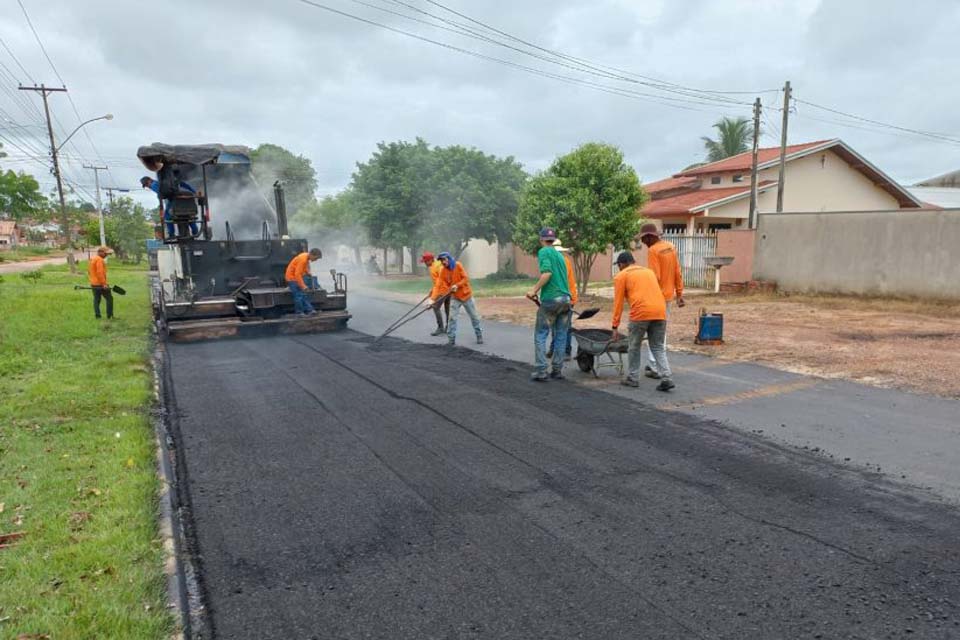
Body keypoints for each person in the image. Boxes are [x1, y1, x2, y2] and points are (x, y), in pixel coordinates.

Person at [611, 251, 674, 391]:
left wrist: (614, 326)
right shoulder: (649, 272)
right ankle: (667, 377)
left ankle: (633, 378)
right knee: (657, 346)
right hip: (660, 311)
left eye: (619, 265)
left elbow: (618, 303)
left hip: (640, 313)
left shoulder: (621, 276)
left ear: (621, 264)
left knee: (634, 346)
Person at [636, 223, 685, 379]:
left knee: (654, 333)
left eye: (644, 239)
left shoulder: (653, 250)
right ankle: (657, 364)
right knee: (661, 332)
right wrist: (680, 293)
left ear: (651, 237)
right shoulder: (671, 247)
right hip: (668, 296)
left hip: (657, 296)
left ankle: (654, 365)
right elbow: (677, 271)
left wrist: (646, 294)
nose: (643, 242)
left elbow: (654, 276)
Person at [525, 227, 571, 381]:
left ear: (541, 239)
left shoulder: (544, 252)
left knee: (541, 333)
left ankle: (541, 370)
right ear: (554, 240)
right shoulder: (560, 256)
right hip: (565, 300)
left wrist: (533, 290)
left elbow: (547, 273)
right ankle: (557, 370)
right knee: (561, 334)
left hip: (552, 299)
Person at [428, 251, 482, 346]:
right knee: (452, 318)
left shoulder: (458, 265)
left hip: (466, 296)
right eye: (441, 261)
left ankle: (479, 335)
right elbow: (438, 285)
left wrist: (457, 285)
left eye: (444, 259)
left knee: (474, 317)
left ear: (449, 258)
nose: (443, 262)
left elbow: (465, 278)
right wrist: (432, 299)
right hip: (455, 297)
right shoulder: (443, 271)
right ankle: (451, 340)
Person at [546, 240, 578, 361]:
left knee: (562, 325)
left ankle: (565, 351)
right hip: (566, 297)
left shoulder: (558, 262)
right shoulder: (565, 261)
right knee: (560, 325)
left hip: (563, 297)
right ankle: (556, 349)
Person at [285, 248, 323, 316]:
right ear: (312, 255)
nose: (316, 260)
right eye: (316, 258)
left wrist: (308, 273)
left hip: (297, 277)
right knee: (298, 295)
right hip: (292, 278)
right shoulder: (303, 259)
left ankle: (310, 310)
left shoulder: (306, 257)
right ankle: (299, 313)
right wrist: (303, 286)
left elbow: (304, 268)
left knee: (304, 294)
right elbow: (297, 274)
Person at [421, 251, 450, 336]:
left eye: (426, 261)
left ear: (430, 260)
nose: (425, 263)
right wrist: (431, 291)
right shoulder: (433, 266)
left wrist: (432, 299)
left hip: (443, 290)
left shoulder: (438, 266)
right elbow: (436, 282)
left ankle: (441, 328)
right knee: (447, 309)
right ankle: (448, 328)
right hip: (445, 289)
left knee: (436, 307)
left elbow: (439, 282)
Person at [88, 245, 114, 320]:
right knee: (109, 298)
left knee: (96, 300)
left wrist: (93, 281)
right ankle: (109, 316)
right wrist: (104, 284)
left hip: (94, 284)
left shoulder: (93, 259)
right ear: (100, 252)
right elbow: (100, 273)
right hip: (100, 284)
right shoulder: (99, 260)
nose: (107, 255)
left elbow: (89, 272)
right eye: (106, 253)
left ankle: (98, 316)